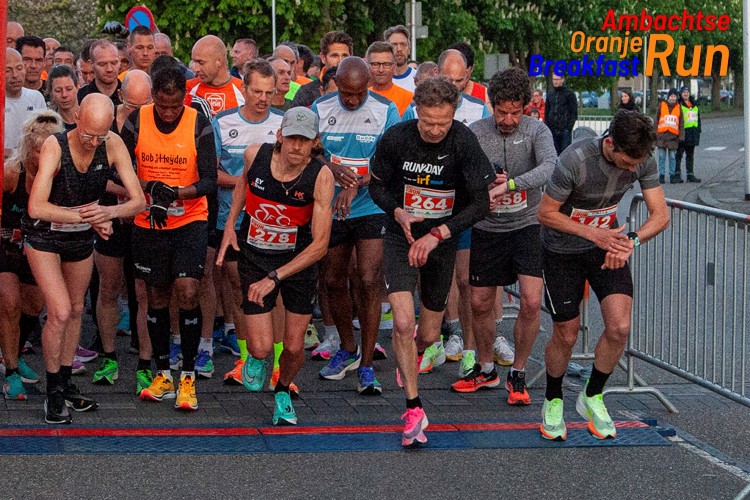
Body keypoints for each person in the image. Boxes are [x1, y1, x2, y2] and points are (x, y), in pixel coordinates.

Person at [369, 76, 495, 446]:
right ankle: (413, 407)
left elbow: (481, 203)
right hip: (400, 237)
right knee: (404, 324)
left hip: (441, 240)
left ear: (454, 114)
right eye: (428, 122)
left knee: (426, 334)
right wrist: (397, 212)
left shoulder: (464, 141)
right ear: (416, 112)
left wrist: (439, 233)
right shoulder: (397, 138)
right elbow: (375, 184)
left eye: (443, 122)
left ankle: (416, 354)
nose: (436, 129)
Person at [537, 109, 669, 441]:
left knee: (619, 326)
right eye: (626, 163)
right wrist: (593, 233)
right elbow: (546, 213)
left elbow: (661, 214)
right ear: (610, 144)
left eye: (635, 166)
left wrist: (631, 242)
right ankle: (553, 399)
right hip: (562, 250)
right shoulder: (574, 160)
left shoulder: (640, 158)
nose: (631, 170)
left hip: (607, 245)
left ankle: (592, 394)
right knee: (566, 335)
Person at [23, 94, 146, 424]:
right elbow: (36, 206)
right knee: (60, 310)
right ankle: (52, 393)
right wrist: (87, 217)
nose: (93, 142)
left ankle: (64, 383)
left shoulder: (112, 143)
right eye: (88, 134)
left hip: (79, 238)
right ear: (76, 117)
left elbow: (138, 201)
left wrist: (109, 210)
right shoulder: (55, 145)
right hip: (44, 235)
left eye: (100, 136)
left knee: (77, 308)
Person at [216, 107, 334, 425]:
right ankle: (255, 359)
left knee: (295, 346)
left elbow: (320, 245)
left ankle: (282, 392)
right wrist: (230, 225)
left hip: (297, 262)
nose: (296, 146)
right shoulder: (256, 154)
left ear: (315, 143)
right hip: (255, 256)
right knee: (261, 347)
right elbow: (243, 184)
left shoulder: (321, 176)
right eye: (292, 138)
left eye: (304, 140)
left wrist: (276, 277)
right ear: (280, 135)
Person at [120, 59, 217, 412]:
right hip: (149, 221)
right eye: (162, 105)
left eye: (175, 106)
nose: (169, 112)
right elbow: (121, 167)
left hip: (189, 218)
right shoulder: (137, 120)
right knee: (156, 294)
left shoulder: (197, 122)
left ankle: (188, 376)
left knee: (187, 290)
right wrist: (149, 188)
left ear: (185, 99)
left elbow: (208, 180)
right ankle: (163, 373)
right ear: (153, 99)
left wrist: (175, 193)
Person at [454, 67, 555, 405]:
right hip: (487, 227)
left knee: (529, 301)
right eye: (502, 112)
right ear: (491, 105)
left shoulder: (537, 130)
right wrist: (485, 183)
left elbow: (549, 168)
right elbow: (460, 172)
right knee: (480, 302)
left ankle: (519, 373)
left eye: (516, 112)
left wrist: (510, 184)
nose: (509, 119)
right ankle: (486, 368)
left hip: (527, 225)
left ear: (525, 107)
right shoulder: (475, 131)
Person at [312, 57, 400, 395]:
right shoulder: (320, 108)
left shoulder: (385, 109)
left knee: (368, 278)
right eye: (347, 94)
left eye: (359, 93)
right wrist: (331, 171)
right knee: (333, 278)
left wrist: (357, 184)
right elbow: (308, 152)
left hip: (370, 204)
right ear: (335, 84)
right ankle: (347, 348)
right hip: (330, 206)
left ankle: (366, 364)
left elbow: (390, 161)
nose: (353, 100)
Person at [211, 60, 284, 385]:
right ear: (243, 88)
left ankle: (280, 366)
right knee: (240, 290)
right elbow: (210, 173)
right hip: (233, 221)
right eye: (257, 91)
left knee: (277, 294)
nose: (263, 98)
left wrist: (260, 184)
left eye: (269, 92)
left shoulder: (284, 124)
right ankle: (246, 361)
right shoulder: (222, 122)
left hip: (274, 226)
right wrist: (247, 181)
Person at [91, 69, 154, 393]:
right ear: (120, 98)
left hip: (142, 216)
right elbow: (93, 172)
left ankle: (145, 362)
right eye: (132, 106)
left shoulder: (155, 123)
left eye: (145, 106)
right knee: (108, 288)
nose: (138, 114)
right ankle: (109, 357)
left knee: (143, 292)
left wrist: (136, 200)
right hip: (111, 212)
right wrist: (126, 196)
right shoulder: (104, 124)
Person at [1, 111, 63, 400]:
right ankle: (11, 370)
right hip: (5, 247)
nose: (45, 156)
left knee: (34, 305)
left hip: (37, 247)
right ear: (29, 149)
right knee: (9, 302)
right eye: (39, 150)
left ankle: (13, 351)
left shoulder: (59, 174)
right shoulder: (11, 173)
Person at [291, 31, 353, 108]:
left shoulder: (360, 91)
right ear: (323, 58)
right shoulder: (306, 93)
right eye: (334, 56)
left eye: (345, 56)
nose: (340, 61)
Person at [187, 35, 244, 117]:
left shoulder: (244, 91)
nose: (196, 69)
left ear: (219, 61)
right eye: (194, 62)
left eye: (201, 63)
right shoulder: (186, 88)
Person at [5, 48, 47, 158]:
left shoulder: (36, 97)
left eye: (19, 68)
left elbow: (45, 137)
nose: (15, 75)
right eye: (7, 70)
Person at [366, 41, 413, 117]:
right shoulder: (361, 98)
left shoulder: (409, 99)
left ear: (394, 67)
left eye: (386, 64)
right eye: (375, 64)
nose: (381, 70)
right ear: (368, 66)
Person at [77, 40, 122, 106]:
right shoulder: (81, 96)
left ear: (120, 61)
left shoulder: (129, 93)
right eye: (102, 64)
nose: (109, 69)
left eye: (114, 63)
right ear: (91, 64)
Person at [655, 88, 684, 184]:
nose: (673, 98)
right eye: (671, 96)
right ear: (668, 97)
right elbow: (657, 119)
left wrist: (681, 136)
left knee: (672, 157)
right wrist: (654, 133)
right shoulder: (662, 106)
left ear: (676, 97)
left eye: (674, 96)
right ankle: (662, 175)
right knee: (662, 157)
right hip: (662, 136)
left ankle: (672, 175)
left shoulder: (679, 107)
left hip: (673, 137)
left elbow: (681, 123)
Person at [545, 74, 577, 154]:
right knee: (553, 153)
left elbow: (573, 112)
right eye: (554, 79)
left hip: (564, 130)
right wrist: (548, 126)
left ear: (562, 80)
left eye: (557, 79)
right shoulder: (550, 94)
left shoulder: (570, 94)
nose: (555, 81)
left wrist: (568, 128)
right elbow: (547, 111)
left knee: (565, 154)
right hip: (552, 129)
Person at [676, 86, 701, 183]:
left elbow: (698, 119)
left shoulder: (694, 105)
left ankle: (690, 174)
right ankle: (677, 174)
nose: (686, 94)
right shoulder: (679, 105)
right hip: (683, 133)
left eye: (687, 92)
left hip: (693, 133)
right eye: (684, 92)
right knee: (679, 155)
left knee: (690, 155)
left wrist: (698, 131)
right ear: (681, 94)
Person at [383, 25, 416, 92]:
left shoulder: (418, 79)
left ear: (409, 48)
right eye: (394, 45)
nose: (399, 49)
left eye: (403, 44)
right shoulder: (380, 81)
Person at [48, 65, 80, 130]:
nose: (64, 95)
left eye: (69, 89)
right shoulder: (49, 126)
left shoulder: (90, 117)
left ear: (77, 87)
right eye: (58, 90)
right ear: (51, 92)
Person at [16, 36, 48, 100]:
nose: (33, 65)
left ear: (44, 62)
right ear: (17, 60)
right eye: (27, 59)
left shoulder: (53, 93)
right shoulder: (7, 93)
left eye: (38, 60)